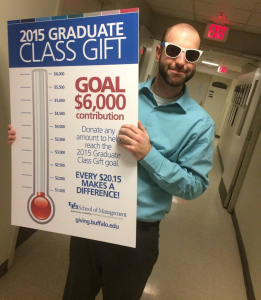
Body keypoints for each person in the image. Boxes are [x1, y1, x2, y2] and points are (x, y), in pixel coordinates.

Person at [8, 23, 214, 300]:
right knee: (75, 294)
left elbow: (194, 186)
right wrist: (29, 138)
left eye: (190, 55)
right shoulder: (117, 94)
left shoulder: (200, 124)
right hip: (90, 221)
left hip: (138, 234)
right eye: (174, 50)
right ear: (159, 52)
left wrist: (148, 154)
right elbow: (72, 129)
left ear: (196, 61)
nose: (180, 62)